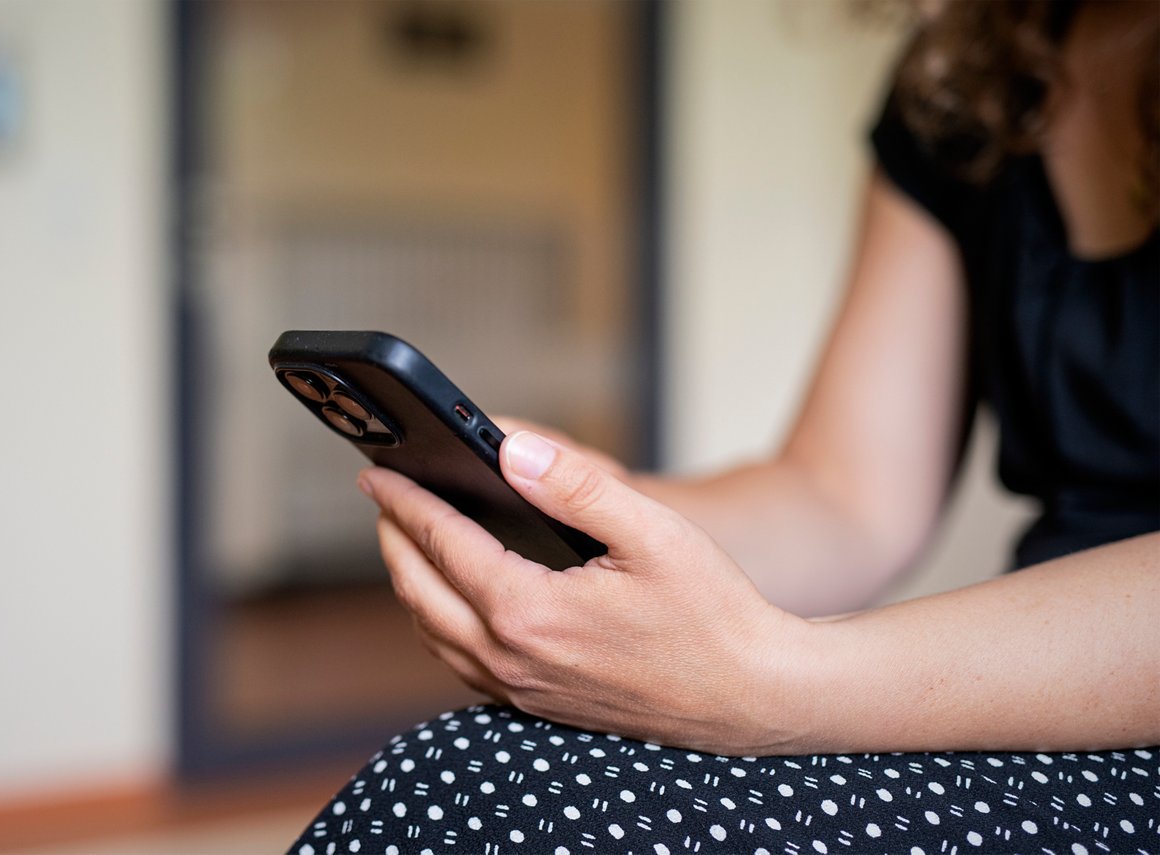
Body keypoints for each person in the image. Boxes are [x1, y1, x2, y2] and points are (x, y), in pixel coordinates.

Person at [290, 0, 1158, 851]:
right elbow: (843, 498)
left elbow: (788, 663)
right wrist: (600, 508)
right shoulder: (964, 81)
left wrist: (781, 681)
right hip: (1032, 679)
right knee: (461, 775)